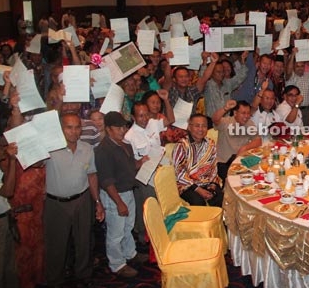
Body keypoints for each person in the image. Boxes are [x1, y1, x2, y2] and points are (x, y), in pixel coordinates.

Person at [44, 114, 104, 288]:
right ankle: (55, 280)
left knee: (84, 239)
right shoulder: (50, 149)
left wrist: (97, 202)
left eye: (77, 127)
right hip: (56, 203)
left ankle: (83, 275)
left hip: (82, 199)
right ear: (61, 129)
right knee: (56, 244)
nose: (74, 131)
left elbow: (92, 175)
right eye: (69, 127)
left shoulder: (87, 149)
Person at [94, 112, 149, 278]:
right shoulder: (103, 150)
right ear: (108, 129)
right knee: (115, 232)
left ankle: (130, 253)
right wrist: (119, 203)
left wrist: (142, 162)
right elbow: (106, 181)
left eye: (124, 126)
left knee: (128, 226)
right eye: (118, 127)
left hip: (128, 190)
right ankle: (117, 264)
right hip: (114, 195)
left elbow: (130, 165)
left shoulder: (125, 144)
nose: (122, 130)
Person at [123, 103, 165, 245]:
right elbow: (128, 164)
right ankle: (144, 239)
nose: (145, 118)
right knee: (147, 209)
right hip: (143, 178)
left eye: (146, 114)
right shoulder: (129, 137)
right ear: (134, 117)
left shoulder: (152, 125)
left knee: (159, 206)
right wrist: (140, 162)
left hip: (158, 173)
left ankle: (157, 235)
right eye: (141, 115)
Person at [172, 114, 222, 206]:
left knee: (220, 198)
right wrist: (198, 189)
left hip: (206, 182)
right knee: (198, 202)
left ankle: (219, 221)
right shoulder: (182, 145)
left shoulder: (210, 143)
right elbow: (179, 173)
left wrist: (212, 185)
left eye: (204, 126)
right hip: (187, 185)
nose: (201, 129)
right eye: (197, 126)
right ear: (189, 127)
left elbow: (213, 166)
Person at [213, 100, 262, 183]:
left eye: (248, 113)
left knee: (257, 177)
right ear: (235, 113)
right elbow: (215, 119)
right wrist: (225, 108)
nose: (246, 116)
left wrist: (245, 147)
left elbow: (258, 140)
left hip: (242, 162)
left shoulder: (249, 123)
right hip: (224, 162)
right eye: (243, 113)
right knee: (235, 182)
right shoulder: (226, 122)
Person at [202, 51, 248, 119]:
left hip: (226, 122)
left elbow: (241, 76)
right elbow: (202, 77)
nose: (222, 73)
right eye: (218, 72)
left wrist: (243, 59)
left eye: (223, 71)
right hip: (211, 122)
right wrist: (204, 61)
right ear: (211, 73)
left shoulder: (228, 83)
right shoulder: (207, 85)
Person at [0, 141, 18, 288]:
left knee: (9, 266)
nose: (3, 150)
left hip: (4, 216)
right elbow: (8, 190)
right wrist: (12, 160)